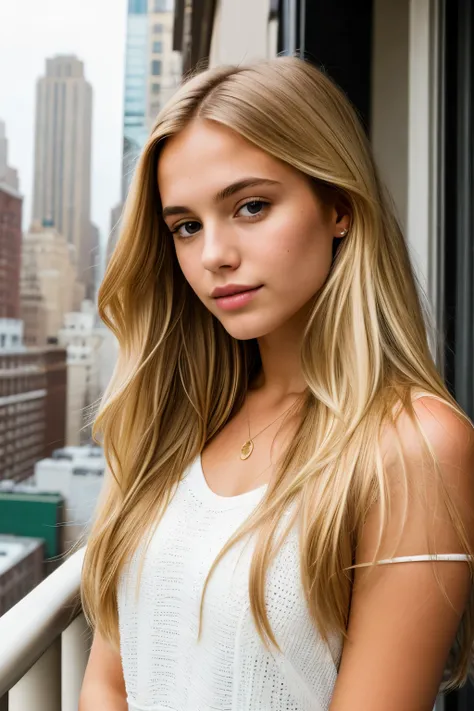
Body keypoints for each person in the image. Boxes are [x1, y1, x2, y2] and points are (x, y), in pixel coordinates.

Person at [79, 57, 474, 711]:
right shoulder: (173, 422)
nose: (213, 255)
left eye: (251, 206)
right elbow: (108, 682)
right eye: (186, 226)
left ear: (339, 207)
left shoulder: (415, 446)